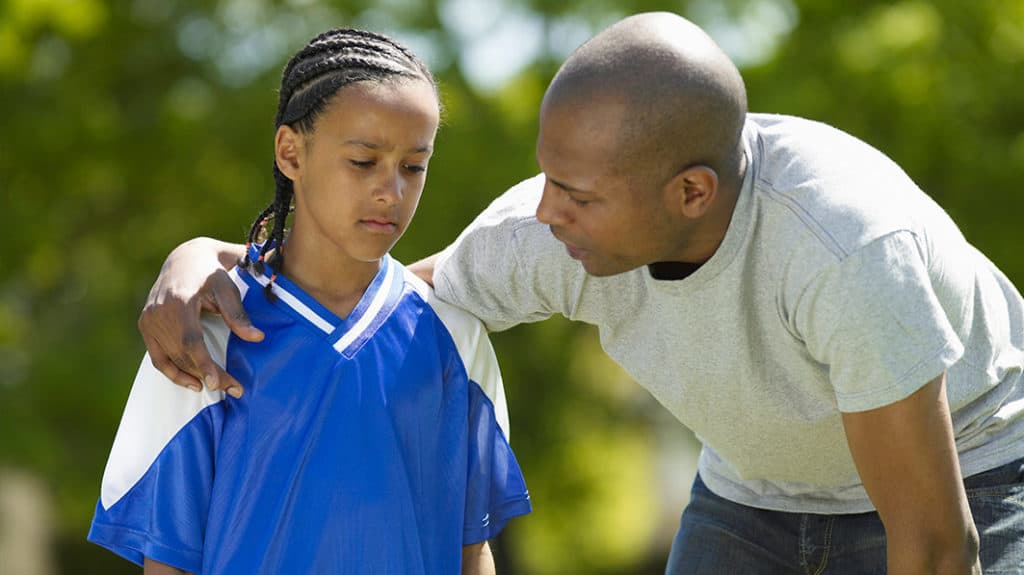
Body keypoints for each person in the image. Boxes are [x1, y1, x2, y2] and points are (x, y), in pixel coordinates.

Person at [137, 12, 1024, 575]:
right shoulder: (548, 233)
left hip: (970, 472)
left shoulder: (848, 253)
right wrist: (201, 258)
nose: (545, 212)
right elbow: (367, 303)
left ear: (691, 193)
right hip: (754, 493)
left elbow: (939, 549)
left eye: (580, 195)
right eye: (547, 178)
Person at [88, 28, 531, 575]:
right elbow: (169, 561)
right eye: (363, 161)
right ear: (290, 152)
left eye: (414, 166)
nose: (391, 192)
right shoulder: (203, 334)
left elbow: (472, 549)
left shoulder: (453, 335)